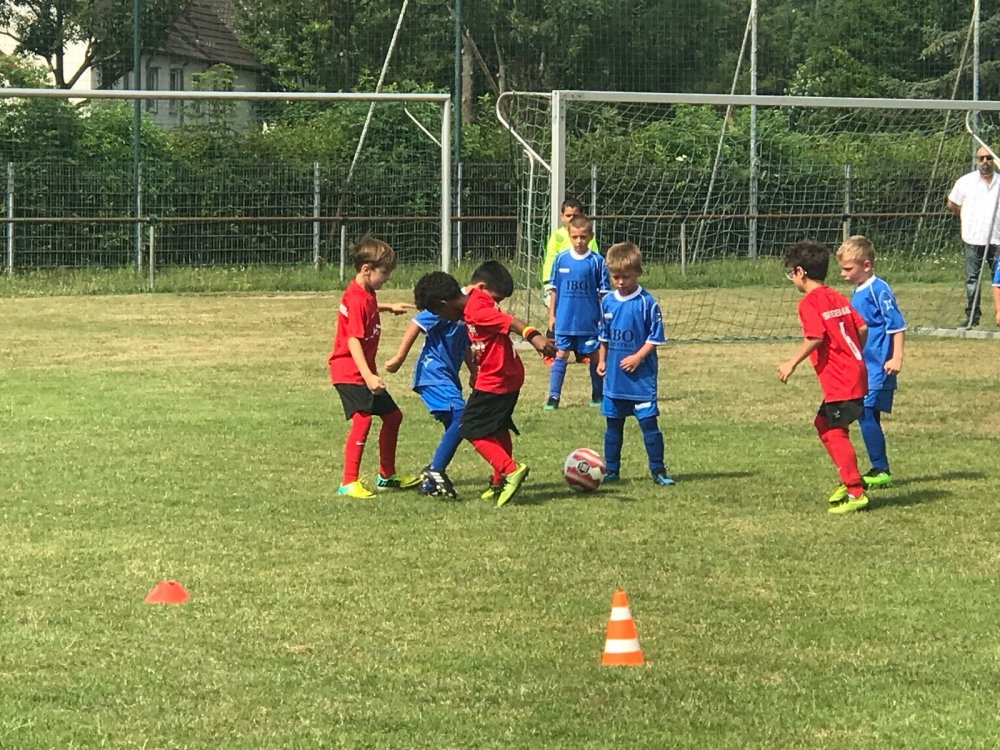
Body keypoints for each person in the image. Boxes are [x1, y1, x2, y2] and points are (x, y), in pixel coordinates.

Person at [414, 261, 556, 507]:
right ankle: (498, 481)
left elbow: (510, 321)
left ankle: (511, 470)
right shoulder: (477, 298)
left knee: (469, 427)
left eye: (439, 313)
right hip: (509, 374)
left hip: (495, 378)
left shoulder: (475, 311)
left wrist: (534, 337)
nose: (442, 318)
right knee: (498, 427)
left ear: (444, 305)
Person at [778, 239, 870, 515]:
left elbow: (815, 336)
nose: (792, 278)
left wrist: (791, 363)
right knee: (823, 423)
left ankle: (855, 490)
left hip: (841, 378)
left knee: (835, 431)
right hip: (853, 372)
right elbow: (862, 327)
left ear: (801, 272)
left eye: (791, 273)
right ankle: (848, 478)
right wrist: (853, 353)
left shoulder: (809, 302)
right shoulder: (836, 296)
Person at [328, 237, 421, 499]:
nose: (388, 278)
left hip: (361, 371)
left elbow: (365, 308)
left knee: (393, 416)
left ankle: (386, 476)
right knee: (363, 419)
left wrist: (388, 307)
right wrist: (368, 375)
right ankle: (348, 482)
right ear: (366, 269)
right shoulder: (357, 297)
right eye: (385, 272)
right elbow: (353, 340)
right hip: (349, 371)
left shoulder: (365, 292)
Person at [385, 274, 477, 499]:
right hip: (432, 374)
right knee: (461, 417)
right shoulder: (443, 306)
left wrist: (474, 371)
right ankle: (435, 470)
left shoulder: (463, 312)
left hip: (448, 377)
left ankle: (429, 484)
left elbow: (464, 344)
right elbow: (416, 323)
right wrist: (399, 358)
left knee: (455, 427)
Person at [595, 242, 675, 487]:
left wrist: (638, 357)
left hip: (641, 379)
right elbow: (604, 336)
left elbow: (655, 337)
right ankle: (611, 470)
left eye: (626, 277)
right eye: (615, 277)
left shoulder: (646, 302)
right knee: (613, 426)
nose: (620, 282)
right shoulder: (607, 302)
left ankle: (658, 470)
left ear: (638, 272)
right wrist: (602, 360)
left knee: (649, 424)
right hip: (615, 380)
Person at [835, 235, 906, 492]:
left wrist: (896, 357)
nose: (843, 274)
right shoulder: (858, 289)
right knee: (868, 413)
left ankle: (880, 469)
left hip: (880, 364)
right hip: (865, 365)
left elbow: (897, 325)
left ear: (866, 265)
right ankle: (880, 468)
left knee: (864, 410)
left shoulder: (879, 289)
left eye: (848, 269)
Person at [544, 215, 609, 410]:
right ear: (569, 236)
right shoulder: (561, 259)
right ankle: (553, 397)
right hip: (565, 319)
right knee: (561, 354)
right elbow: (554, 290)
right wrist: (552, 315)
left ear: (591, 236)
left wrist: (603, 318)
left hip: (588, 320)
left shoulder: (597, 261)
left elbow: (603, 293)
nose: (579, 241)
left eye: (583, 237)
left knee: (594, 355)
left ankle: (598, 394)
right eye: (575, 237)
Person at [540, 197, 600, 364]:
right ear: (562, 216)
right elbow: (551, 260)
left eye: (575, 215)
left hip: (582, 286)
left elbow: (594, 258)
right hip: (560, 284)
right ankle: (550, 352)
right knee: (559, 315)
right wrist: (549, 283)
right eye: (568, 216)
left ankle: (583, 353)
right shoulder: (557, 236)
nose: (571, 219)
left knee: (582, 315)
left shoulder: (588, 237)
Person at [946, 145, 1000, 328]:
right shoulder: (965, 182)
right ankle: (972, 317)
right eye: (981, 158)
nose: (985, 162)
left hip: (997, 240)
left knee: (998, 280)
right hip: (972, 239)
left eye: (989, 158)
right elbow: (952, 204)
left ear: (994, 160)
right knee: (972, 280)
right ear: (976, 161)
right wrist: (966, 218)